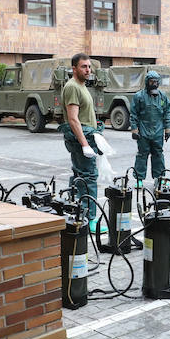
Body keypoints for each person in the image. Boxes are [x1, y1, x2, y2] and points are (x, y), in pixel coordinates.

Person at [62, 52, 102, 229]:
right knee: (89, 177)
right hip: (80, 139)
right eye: (83, 66)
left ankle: (76, 213)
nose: (88, 70)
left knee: (80, 176)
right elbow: (73, 119)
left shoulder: (81, 85)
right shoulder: (72, 87)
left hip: (87, 135)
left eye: (89, 66)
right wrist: (85, 144)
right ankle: (89, 219)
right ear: (74, 69)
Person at [130, 70, 170, 185]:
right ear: (147, 82)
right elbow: (134, 114)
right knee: (142, 155)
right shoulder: (139, 96)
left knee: (158, 154)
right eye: (151, 81)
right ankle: (139, 179)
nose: (154, 84)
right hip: (143, 130)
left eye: (156, 81)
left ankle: (159, 178)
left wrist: (167, 129)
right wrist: (134, 129)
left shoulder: (162, 97)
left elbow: (167, 112)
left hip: (158, 131)